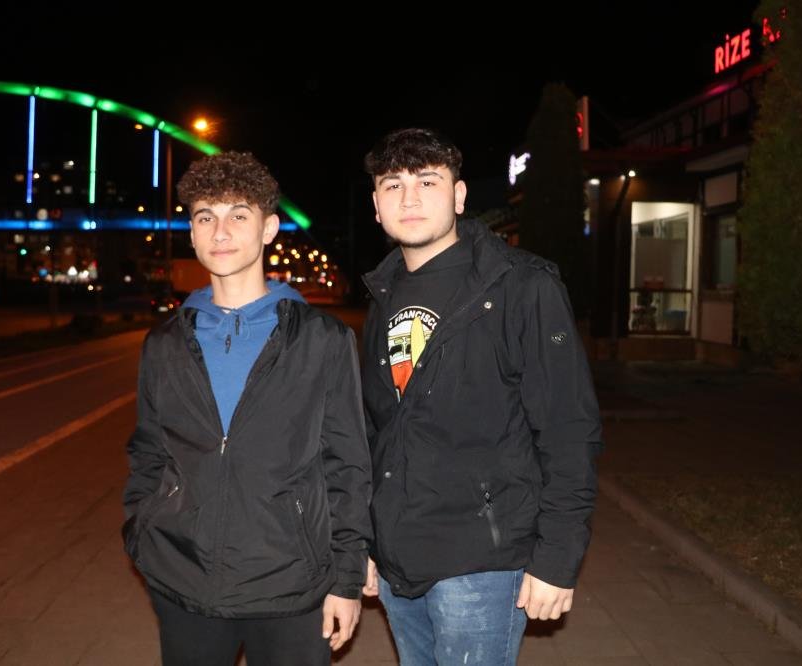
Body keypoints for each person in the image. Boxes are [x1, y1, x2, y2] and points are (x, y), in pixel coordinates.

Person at [359, 128, 603, 665]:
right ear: (376, 206)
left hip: (482, 561)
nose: (410, 198)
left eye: (428, 181)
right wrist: (365, 539)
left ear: (459, 195)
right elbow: (376, 431)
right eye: (393, 185)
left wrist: (557, 557)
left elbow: (568, 428)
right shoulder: (382, 292)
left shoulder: (520, 286)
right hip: (400, 553)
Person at [122, 151, 372, 666]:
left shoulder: (322, 339)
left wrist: (346, 579)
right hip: (184, 582)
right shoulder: (164, 343)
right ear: (192, 234)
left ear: (269, 228)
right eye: (205, 217)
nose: (220, 232)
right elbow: (148, 451)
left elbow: (348, 463)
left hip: (292, 586)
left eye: (238, 215)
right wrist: (143, 536)